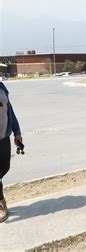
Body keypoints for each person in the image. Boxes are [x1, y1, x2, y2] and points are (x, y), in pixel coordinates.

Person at [0, 82, 22, 223]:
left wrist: (17, 132)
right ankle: (2, 205)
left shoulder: (1, 87)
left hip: (3, 137)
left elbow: (10, 111)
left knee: (5, 167)